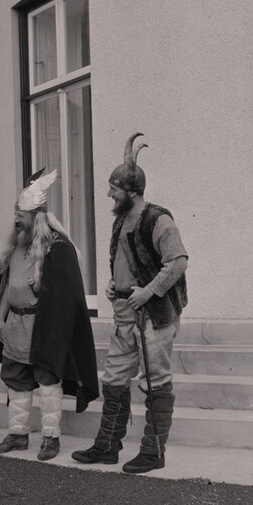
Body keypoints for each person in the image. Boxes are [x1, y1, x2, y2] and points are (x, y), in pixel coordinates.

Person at [71, 133, 189, 473]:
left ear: (132, 190)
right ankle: (108, 446)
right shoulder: (121, 221)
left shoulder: (158, 219)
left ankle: (153, 453)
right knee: (114, 380)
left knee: (156, 380)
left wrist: (147, 292)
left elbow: (177, 261)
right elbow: (128, 262)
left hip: (153, 316)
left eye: (114, 188)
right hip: (124, 314)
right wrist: (115, 286)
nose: (109, 193)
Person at [0, 169, 99, 461]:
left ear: (36, 217)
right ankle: (18, 435)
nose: (16, 220)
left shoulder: (57, 248)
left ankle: (50, 439)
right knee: (16, 378)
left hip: (44, 327)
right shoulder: (15, 247)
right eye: (16, 214)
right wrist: (1, 320)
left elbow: (64, 298)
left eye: (21, 215)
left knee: (47, 380)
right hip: (15, 325)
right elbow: (5, 288)